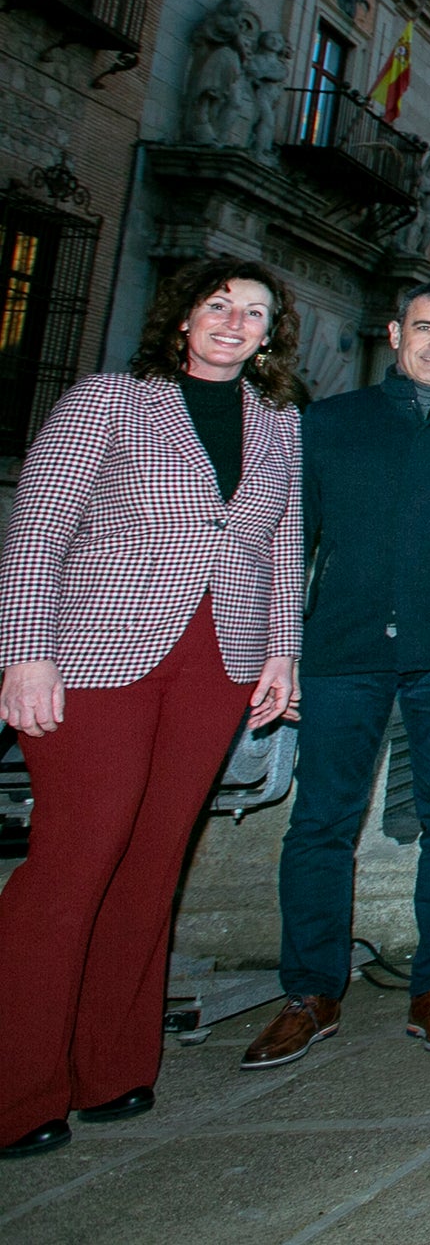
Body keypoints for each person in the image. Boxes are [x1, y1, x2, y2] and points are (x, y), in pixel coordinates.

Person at [0, 259, 305, 1157]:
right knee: (72, 862)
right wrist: (24, 653)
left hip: (218, 660)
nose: (235, 323)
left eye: (254, 313)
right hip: (96, 658)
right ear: (182, 317)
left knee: (153, 861)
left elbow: (281, 544)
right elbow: (40, 529)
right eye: (220, 305)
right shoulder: (109, 399)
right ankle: (18, 1090)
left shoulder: (277, 423)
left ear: (267, 336)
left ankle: (113, 1066)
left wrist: (281, 650)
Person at [246, 279, 430, 1071]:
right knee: (320, 825)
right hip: (341, 653)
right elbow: (288, 545)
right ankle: (310, 993)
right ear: (395, 332)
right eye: (425, 328)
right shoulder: (332, 423)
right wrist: (284, 645)